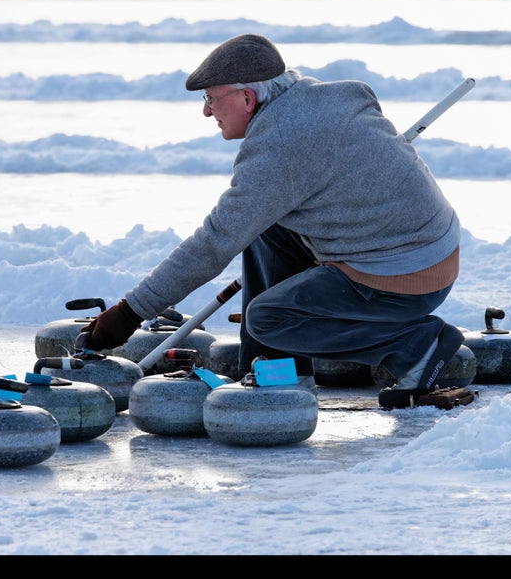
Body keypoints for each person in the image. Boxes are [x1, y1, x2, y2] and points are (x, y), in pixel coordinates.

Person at [79, 33, 465, 408]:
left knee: (269, 319)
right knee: (265, 226)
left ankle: (415, 348)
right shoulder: (330, 95)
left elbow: (214, 243)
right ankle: (278, 372)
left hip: (406, 277)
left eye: (211, 98)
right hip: (425, 244)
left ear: (247, 97)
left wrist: (130, 312)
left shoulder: (278, 149)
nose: (206, 110)